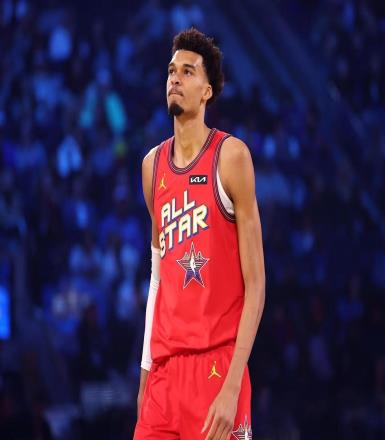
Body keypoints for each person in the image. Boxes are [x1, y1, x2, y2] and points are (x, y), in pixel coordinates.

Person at [133, 28, 266, 440]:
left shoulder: (231, 157)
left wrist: (232, 385)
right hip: (164, 377)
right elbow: (157, 278)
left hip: (217, 368)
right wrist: (145, 377)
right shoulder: (152, 166)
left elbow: (256, 284)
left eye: (188, 71)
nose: (175, 78)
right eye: (171, 70)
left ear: (208, 91)